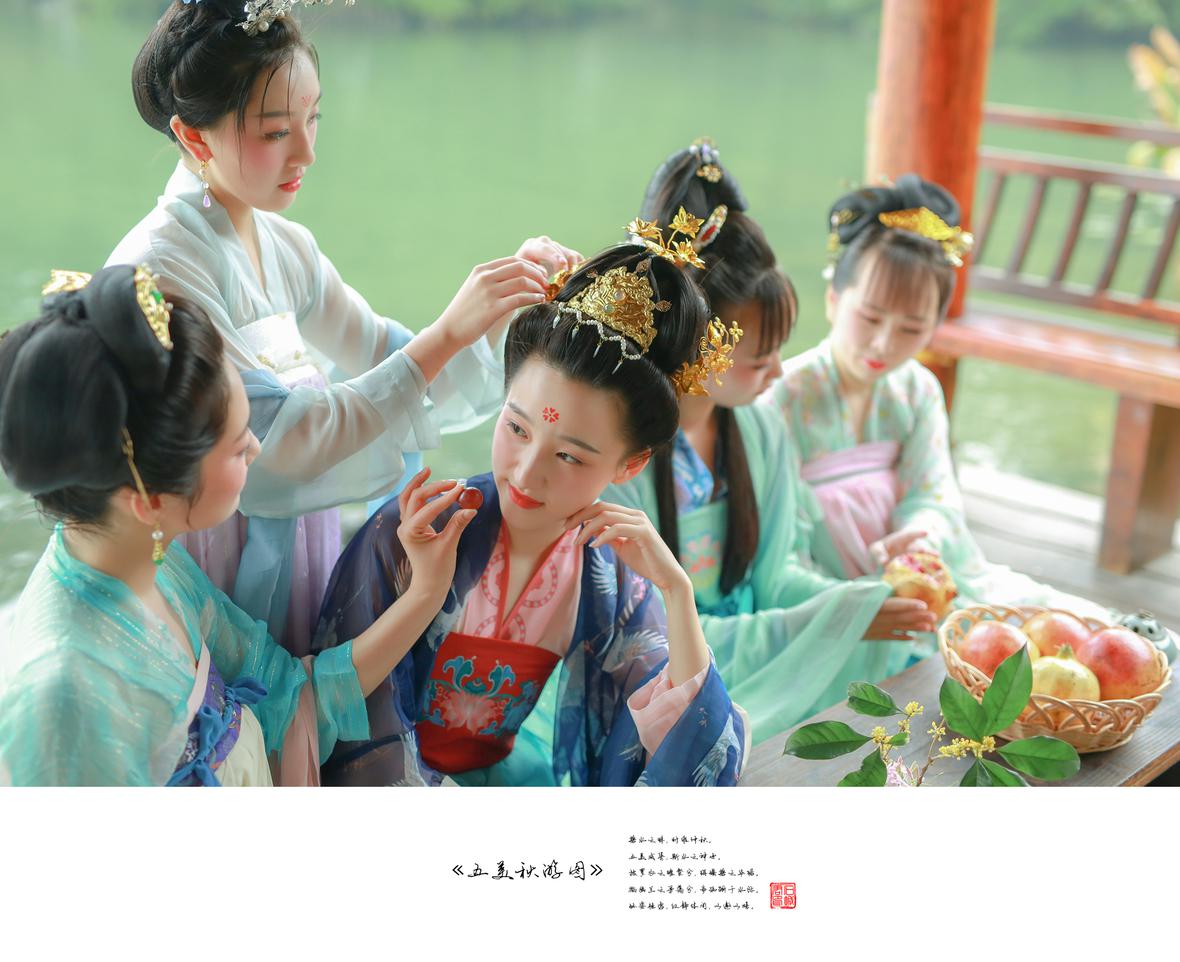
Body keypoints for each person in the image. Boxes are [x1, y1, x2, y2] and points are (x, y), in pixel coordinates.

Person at [110, 0, 578, 654]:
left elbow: (387, 360)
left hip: (299, 542)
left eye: (313, 119)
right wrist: (448, 332)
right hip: (205, 554)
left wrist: (504, 307)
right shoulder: (159, 269)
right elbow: (274, 446)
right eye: (276, 132)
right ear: (194, 138)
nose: (306, 151)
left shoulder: (285, 245)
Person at [0, 265, 487, 786]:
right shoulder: (62, 701)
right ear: (147, 498)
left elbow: (292, 697)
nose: (256, 448)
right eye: (237, 447)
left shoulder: (152, 563)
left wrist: (425, 592)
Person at [312, 241, 747, 786]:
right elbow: (346, 726)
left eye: (569, 456)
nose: (524, 472)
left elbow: (701, 753)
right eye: (516, 428)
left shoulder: (605, 576)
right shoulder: (411, 535)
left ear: (630, 465)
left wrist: (676, 592)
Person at [606, 143, 928, 744]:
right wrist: (837, 619)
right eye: (759, 360)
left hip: (751, 657)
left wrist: (861, 603)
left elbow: (776, 578)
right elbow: (639, 637)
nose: (779, 373)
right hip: (663, 674)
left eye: (779, 352)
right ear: (697, 347)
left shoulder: (759, 428)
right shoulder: (619, 456)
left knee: (895, 666)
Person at [766, 173, 1111, 622]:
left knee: (1065, 622)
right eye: (870, 317)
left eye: (911, 328)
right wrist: (857, 607)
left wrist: (921, 537)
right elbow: (776, 547)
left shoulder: (917, 389)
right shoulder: (782, 399)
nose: (884, 344)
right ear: (833, 299)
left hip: (922, 582)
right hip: (830, 601)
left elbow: (935, 494)